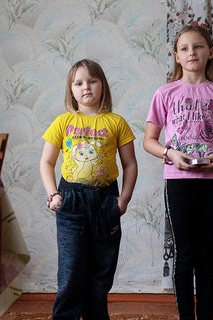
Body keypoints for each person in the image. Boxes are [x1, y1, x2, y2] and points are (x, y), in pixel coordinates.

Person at [143, 25, 213, 320]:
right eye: (185, 48)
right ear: (176, 56)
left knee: (207, 254)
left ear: (210, 52)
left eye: (198, 46)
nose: (192, 53)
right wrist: (170, 153)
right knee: (184, 253)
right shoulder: (165, 93)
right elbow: (149, 141)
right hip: (178, 182)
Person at [40, 59, 138, 319]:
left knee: (101, 272)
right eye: (79, 82)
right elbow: (46, 162)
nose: (86, 87)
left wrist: (123, 199)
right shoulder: (63, 122)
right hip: (71, 202)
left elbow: (130, 164)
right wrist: (53, 194)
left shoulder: (116, 123)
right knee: (71, 271)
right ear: (70, 90)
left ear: (102, 86)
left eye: (93, 81)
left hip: (106, 201)